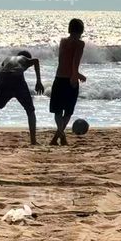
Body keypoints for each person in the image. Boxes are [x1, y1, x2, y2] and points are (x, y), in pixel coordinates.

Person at [49, 18, 86, 146]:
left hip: (59, 77)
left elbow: (62, 60)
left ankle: (59, 136)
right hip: (71, 80)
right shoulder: (80, 44)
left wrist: (76, 73)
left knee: (58, 110)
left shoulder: (63, 41)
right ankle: (58, 137)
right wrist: (75, 76)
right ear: (81, 30)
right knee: (68, 111)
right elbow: (75, 62)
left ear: (70, 28)